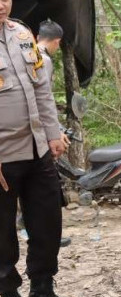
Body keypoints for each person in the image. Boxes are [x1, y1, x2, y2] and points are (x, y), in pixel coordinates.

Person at [0, 0, 82, 297]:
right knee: (2, 233)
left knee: (48, 223)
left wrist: (52, 134)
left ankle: (42, 293)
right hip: (3, 156)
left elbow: (41, 91)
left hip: (36, 151)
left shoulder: (22, 34)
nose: (1, 5)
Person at [37, 19, 72, 247]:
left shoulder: (26, 52)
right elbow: (44, 99)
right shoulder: (44, 60)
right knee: (48, 188)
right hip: (40, 134)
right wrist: (56, 133)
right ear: (56, 42)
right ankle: (50, 235)